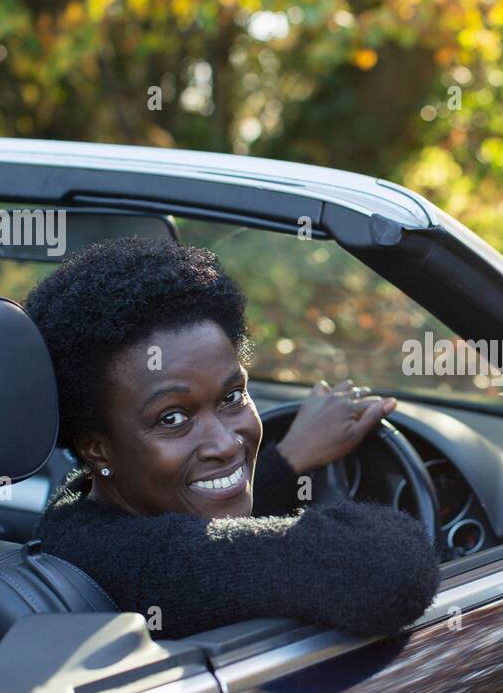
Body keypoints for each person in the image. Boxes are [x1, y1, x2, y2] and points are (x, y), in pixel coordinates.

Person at [26, 236, 440, 640]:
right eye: (172, 417)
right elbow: (386, 569)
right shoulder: (153, 567)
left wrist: (291, 457)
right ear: (96, 448)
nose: (225, 444)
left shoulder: (75, 509)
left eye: (232, 396)